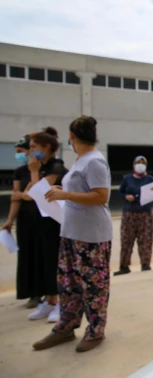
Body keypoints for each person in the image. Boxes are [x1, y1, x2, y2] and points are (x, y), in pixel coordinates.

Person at [33, 116, 112, 353]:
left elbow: (101, 196)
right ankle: (65, 327)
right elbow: (79, 191)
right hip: (70, 232)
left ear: (72, 137)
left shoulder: (95, 162)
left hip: (92, 235)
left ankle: (95, 331)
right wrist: (62, 190)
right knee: (68, 283)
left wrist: (66, 195)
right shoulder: (79, 161)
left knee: (93, 286)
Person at [26, 127, 68, 322]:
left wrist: (34, 174)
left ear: (47, 147)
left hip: (55, 222)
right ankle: (50, 300)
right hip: (40, 221)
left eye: (35, 147)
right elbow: (28, 194)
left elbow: (39, 194)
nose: (31, 150)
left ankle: (60, 302)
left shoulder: (56, 167)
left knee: (55, 262)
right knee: (43, 261)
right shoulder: (43, 168)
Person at [2, 134, 41, 309]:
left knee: (42, 256)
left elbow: (37, 194)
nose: (19, 155)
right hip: (24, 219)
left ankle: (49, 293)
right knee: (27, 256)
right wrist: (10, 219)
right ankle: (32, 293)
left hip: (41, 218)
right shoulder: (19, 171)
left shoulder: (43, 169)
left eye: (21, 151)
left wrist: (26, 195)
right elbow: (16, 196)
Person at [115, 156, 153, 276]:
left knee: (145, 240)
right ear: (134, 164)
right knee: (126, 239)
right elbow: (120, 192)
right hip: (129, 213)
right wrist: (126, 196)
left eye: (143, 163)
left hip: (145, 213)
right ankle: (124, 266)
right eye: (138, 163)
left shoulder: (150, 179)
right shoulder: (127, 178)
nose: (140, 165)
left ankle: (145, 264)